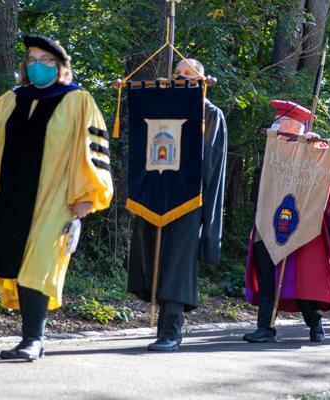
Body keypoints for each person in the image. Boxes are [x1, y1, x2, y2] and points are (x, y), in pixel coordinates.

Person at [0, 35, 113, 361]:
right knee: (18, 265)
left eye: (45, 60)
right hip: (12, 198)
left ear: (60, 66)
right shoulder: (9, 101)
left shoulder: (79, 101)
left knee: (39, 264)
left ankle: (34, 340)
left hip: (57, 197)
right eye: (32, 59)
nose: (37, 65)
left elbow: (93, 151)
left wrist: (86, 197)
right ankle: (28, 338)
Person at [126, 59, 228, 351]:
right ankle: (162, 326)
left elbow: (209, 161)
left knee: (177, 264)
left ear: (203, 80)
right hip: (156, 194)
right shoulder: (163, 108)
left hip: (188, 199)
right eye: (179, 74)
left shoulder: (209, 114)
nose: (183, 78)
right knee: (155, 258)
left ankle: (171, 331)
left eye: (190, 75)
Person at [243, 100, 330, 343]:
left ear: (296, 126)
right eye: (277, 121)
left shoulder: (313, 147)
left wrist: (316, 147)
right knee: (268, 276)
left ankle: (315, 322)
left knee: (303, 277)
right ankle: (265, 329)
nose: (277, 125)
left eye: (282, 122)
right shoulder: (272, 148)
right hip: (267, 221)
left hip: (304, 225)